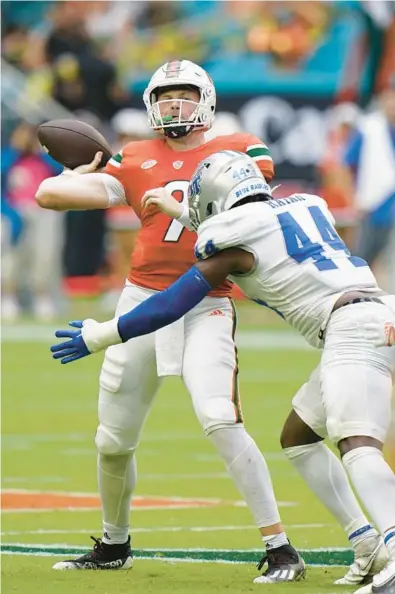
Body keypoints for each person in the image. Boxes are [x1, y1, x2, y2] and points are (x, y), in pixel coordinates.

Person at [52, 150, 395, 593]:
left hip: (352, 330)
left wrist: (101, 335)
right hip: (376, 314)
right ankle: (365, 541)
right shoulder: (305, 206)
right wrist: (185, 211)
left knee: (357, 442)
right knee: (300, 436)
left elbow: (171, 303)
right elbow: (263, 235)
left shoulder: (228, 239)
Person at [36, 59, 306, 583]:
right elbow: (50, 196)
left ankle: (280, 546)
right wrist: (80, 169)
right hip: (141, 298)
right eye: (163, 97)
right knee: (111, 440)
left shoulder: (242, 148)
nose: (173, 106)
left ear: (204, 99)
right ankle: (115, 544)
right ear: (149, 106)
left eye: (183, 96)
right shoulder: (134, 157)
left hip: (206, 299)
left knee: (219, 418)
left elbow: (252, 212)